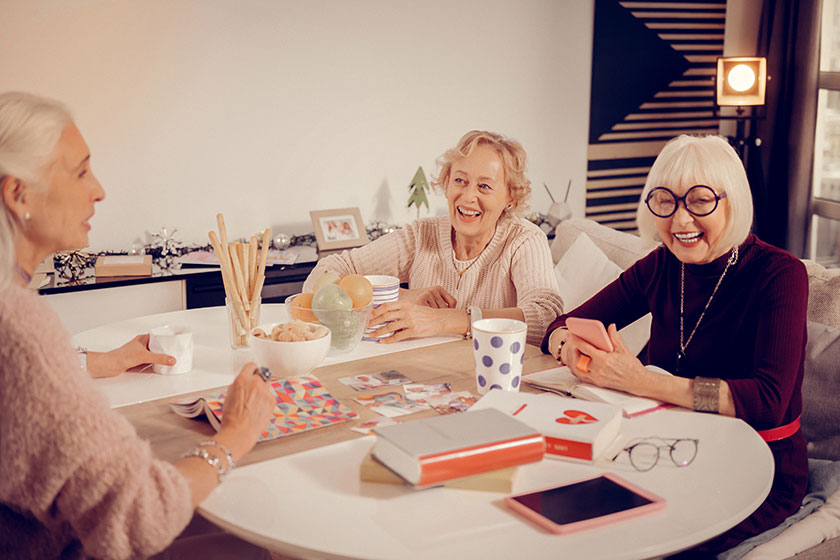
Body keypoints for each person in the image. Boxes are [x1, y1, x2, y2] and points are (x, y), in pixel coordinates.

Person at [0, 91, 276, 558]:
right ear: (18, 193)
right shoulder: (20, 324)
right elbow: (140, 514)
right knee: (256, 543)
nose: (99, 190)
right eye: (81, 171)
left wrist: (97, 361)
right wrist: (236, 435)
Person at [542, 134, 808, 556]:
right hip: (668, 447)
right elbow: (563, 324)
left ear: (732, 201)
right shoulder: (662, 265)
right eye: (666, 201)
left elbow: (768, 401)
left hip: (759, 464)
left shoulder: (781, 274)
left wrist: (642, 381)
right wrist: (567, 348)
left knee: (651, 543)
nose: (681, 220)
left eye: (700, 201)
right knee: (565, 516)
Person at [303, 130, 563, 346]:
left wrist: (445, 320)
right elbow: (323, 275)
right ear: (447, 182)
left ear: (510, 198)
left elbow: (545, 317)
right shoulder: (421, 235)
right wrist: (401, 296)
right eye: (460, 180)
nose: (468, 196)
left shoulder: (524, 240)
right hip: (419, 374)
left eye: (484, 186)